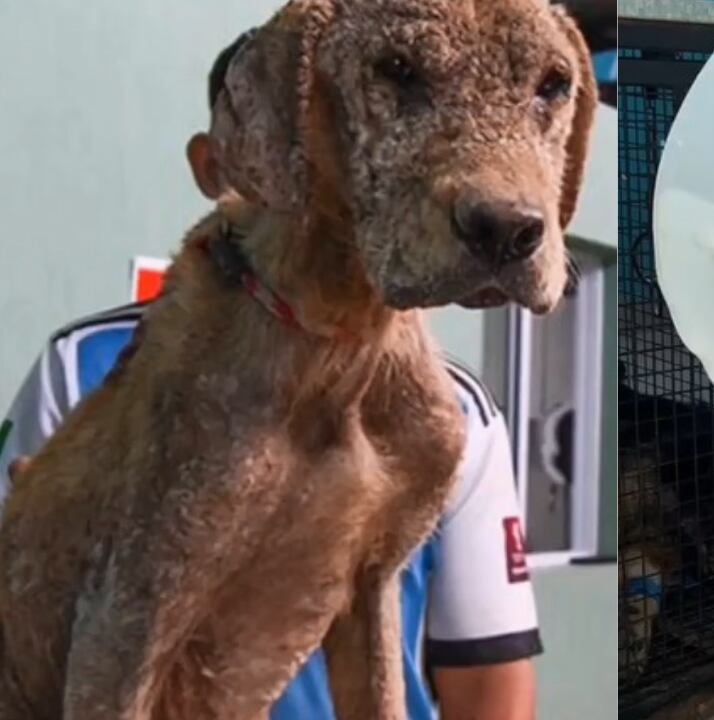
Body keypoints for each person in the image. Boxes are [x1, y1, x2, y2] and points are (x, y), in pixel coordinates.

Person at [0, 31, 539, 720]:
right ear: (213, 164)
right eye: (263, 153)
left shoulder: (451, 414)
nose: (296, 186)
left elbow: (490, 675)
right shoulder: (82, 365)